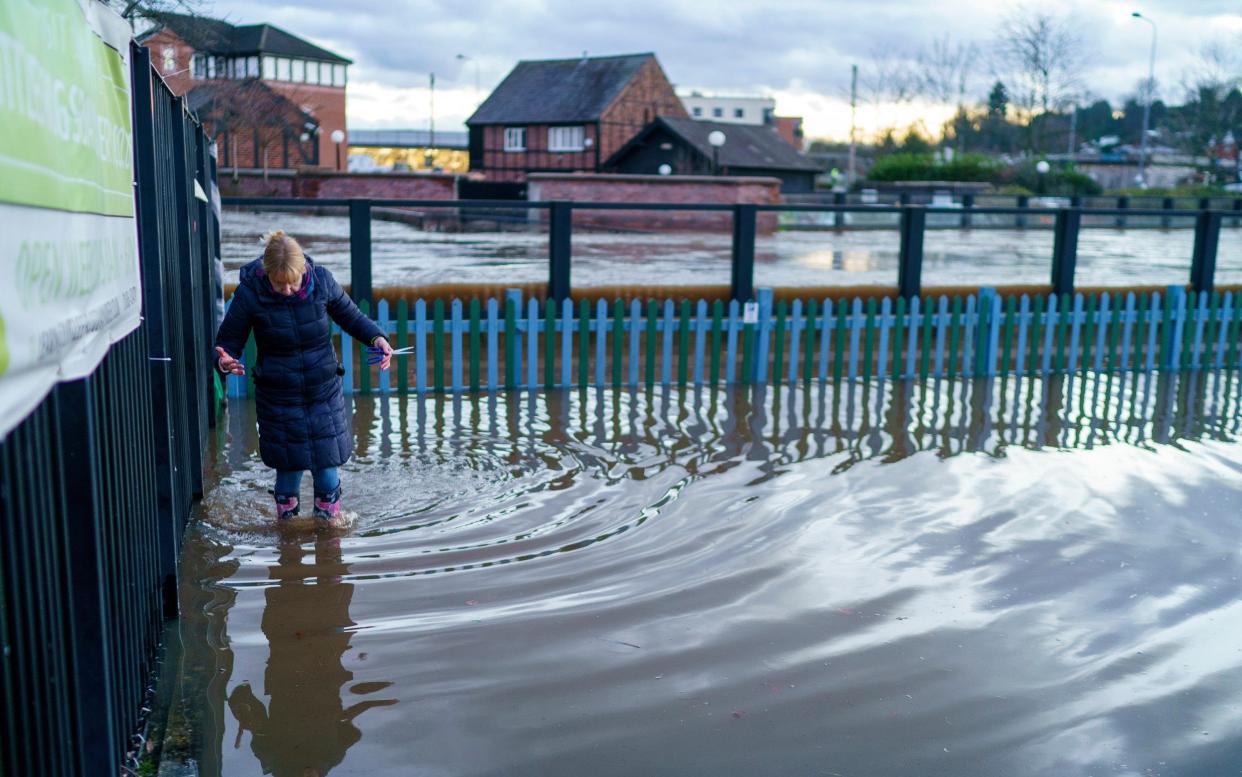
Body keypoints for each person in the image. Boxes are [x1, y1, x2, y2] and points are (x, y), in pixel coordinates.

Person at [214, 230, 392, 521]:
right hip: (278, 396)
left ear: (304, 271)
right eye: (279, 284)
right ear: (266, 272)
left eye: (293, 282)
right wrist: (224, 361)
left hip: (322, 391)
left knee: (327, 469)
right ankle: (288, 542)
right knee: (288, 471)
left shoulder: (322, 281)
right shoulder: (249, 294)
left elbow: (352, 317)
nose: (287, 291)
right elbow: (227, 341)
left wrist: (377, 338)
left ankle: (329, 542)